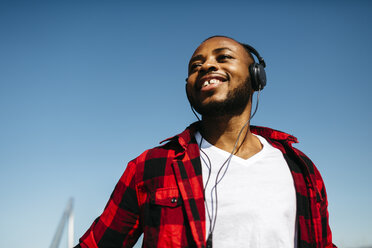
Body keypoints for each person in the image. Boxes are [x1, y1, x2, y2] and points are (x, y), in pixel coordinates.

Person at [75, 36, 336, 248]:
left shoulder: (301, 168)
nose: (207, 67)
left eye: (224, 57)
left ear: (257, 77)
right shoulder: (150, 167)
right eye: (195, 66)